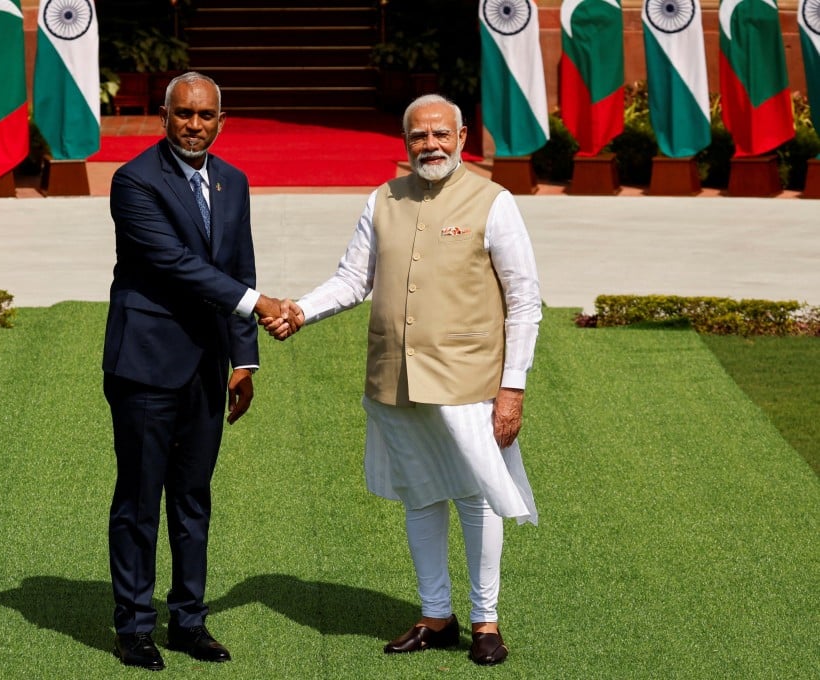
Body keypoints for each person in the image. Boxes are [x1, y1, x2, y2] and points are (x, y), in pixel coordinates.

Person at [263, 94, 541, 666]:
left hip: (469, 380)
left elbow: (524, 300)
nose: (431, 145)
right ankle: (435, 615)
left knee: (475, 498)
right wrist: (300, 311)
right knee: (419, 497)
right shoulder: (381, 200)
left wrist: (512, 387)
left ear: (463, 137)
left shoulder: (495, 201)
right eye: (419, 137)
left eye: (442, 134)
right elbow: (351, 279)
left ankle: (485, 620)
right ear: (405, 141)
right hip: (394, 379)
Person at [102, 71, 287, 670]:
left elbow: (238, 265)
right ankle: (134, 627)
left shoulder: (234, 182)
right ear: (164, 116)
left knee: (192, 498)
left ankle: (187, 621)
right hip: (146, 366)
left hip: (207, 368)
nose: (194, 124)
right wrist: (257, 305)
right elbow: (178, 264)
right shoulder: (134, 181)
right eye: (183, 114)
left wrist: (244, 359)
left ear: (220, 120)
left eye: (206, 115)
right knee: (138, 499)